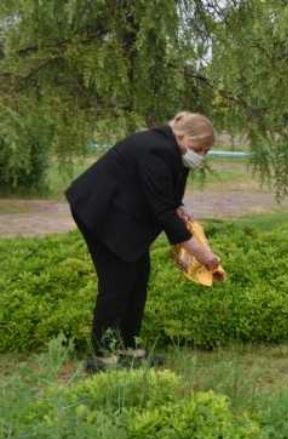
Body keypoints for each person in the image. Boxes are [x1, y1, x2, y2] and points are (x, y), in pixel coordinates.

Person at [66, 111, 220, 371]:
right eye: (199, 148)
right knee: (117, 282)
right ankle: (101, 357)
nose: (201, 156)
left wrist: (178, 206)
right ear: (181, 136)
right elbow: (163, 214)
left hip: (122, 212)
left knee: (138, 277)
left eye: (206, 151)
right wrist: (202, 254)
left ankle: (130, 349)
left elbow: (163, 193)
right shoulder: (155, 150)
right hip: (100, 212)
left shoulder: (171, 149)